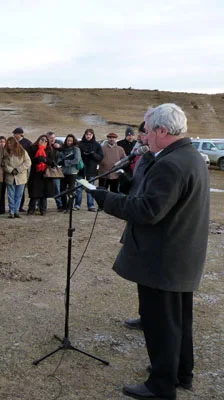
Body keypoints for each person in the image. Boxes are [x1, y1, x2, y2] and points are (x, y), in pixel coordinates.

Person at [88, 104, 208, 399]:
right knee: (178, 320)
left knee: (161, 325)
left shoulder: (171, 163)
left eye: (148, 128)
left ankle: (161, 385)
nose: (144, 135)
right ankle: (182, 373)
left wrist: (105, 198)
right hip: (179, 254)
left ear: (162, 131)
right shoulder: (189, 156)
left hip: (163, 258)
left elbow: (148, 210)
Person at [122, 121, 154, 331]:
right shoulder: (141, 155)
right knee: (142, 274)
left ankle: (151, 317)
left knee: (150, 273)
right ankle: (145, 315)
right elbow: (136, 183)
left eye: (144, 133)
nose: (141, 137)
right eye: (142, 133)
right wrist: (125, 179)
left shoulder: (159, 161)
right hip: (136, 217)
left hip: (148, 222)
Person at [26, 135, 57, 215]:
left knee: (44, 194)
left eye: (46, 140)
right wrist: (37, 160)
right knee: (34, 193)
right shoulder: (32, 148)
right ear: (38, 139)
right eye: (42, 139)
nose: (44, 141)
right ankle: (31, 209)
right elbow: (29, 160)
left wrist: (45, 160)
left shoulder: (49, 150)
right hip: (35, 173)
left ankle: (43, 209)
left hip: (45, 174)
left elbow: (53, 162)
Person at [75, 128, 104, 211]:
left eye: (90, 134)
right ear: (84, 135)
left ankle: (91, 205)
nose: (88, 136)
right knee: (78, 188)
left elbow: (100, 157)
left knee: (90, 188)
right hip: (81, 169)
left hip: (91, 170)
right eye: (87, 134)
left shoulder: (97, 145)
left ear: (92, 135)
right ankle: (77, 205)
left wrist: (93, 154)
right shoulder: (80, 144)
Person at [2, 137, 31, 218]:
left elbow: (28, 162)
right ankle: (11, 211)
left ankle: (16, 210)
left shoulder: (22, 151)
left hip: (20, 176)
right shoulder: (5, 152)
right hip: (10, 176)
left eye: (11, 143)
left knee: (19, 195)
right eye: (8, 143)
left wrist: (18, 169)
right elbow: (3, 164)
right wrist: (11, 170)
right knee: (10, 195)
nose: (9, 145)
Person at [57, 134, 82, 211]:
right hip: (64, 172)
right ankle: (64, 206)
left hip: (72, 172)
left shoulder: (76, 149)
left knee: (71, 190)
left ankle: (69, 206)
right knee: (62, 189)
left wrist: (66, 162)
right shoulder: (64, 149)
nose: (69, 142)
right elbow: (60, 158)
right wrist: (60, 162)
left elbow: (77, 160)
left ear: (73, 141)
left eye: (71, 140)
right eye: (68, 140)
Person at [12, 127, 32, 212]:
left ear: (20, 134)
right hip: (13, 168)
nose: (14, 135)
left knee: (22, 188)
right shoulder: (13, 142)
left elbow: (29, 157)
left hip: (24, 167)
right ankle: (14, 207)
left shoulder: (27, 143)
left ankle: (20, 206)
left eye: (15, 134)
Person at [47, 131, 64, 210]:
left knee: (56, 187)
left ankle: (59, 204)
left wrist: (59, 148)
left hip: (55, 169)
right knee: (44, 187)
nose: (53, 139)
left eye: (54, 138)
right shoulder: (45, 146)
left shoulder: (58, 145)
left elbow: (64, 152)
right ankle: (39, 205)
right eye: (51, 138)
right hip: (46, 168)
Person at [0, 135, 7, 215]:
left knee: (2, 192)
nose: (2, 143)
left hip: (5, 175)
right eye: (1, 142)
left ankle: (2, 209)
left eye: (4, 142)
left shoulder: (7, 151)